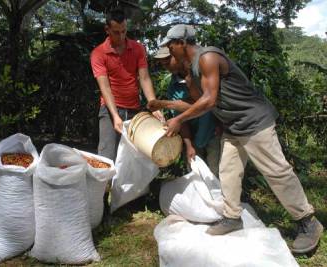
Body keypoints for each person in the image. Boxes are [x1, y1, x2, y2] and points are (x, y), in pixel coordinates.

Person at [148, 24, 323, 253]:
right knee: (228, 171)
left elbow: (209, 101)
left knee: (276, 171)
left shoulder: (208, 57)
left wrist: (179, 120)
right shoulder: (192, 68)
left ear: (182, 43)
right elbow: (198, 103)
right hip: (233, 126)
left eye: (170, 45)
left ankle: (308, 221)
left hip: (253, 121)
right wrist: (180, 91)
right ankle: (232, 217)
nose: (169, 51)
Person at [90, 9, 164, 162]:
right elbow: (105, 88)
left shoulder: (137, 48)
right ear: (107, 30)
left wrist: (153, 104)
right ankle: (103, 186)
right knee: (107, 155)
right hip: (110, 110)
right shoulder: (98, 53)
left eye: (124, 31)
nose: (121, 36)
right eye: (116, 32)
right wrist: (115, 116)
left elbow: (144, 78)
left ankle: (130, 187)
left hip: (134, 109)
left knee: (135, 156)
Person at [154, 47, 220, 175]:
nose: (165, 65)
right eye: (162, 63)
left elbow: (210, 102)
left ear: (177, 55)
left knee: (216, 173)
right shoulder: (173, 87)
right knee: (196, 174)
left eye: (168, 60)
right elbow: (181, 119)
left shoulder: (201, 73)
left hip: (213, 133)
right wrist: (189, 145)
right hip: (194, 136)